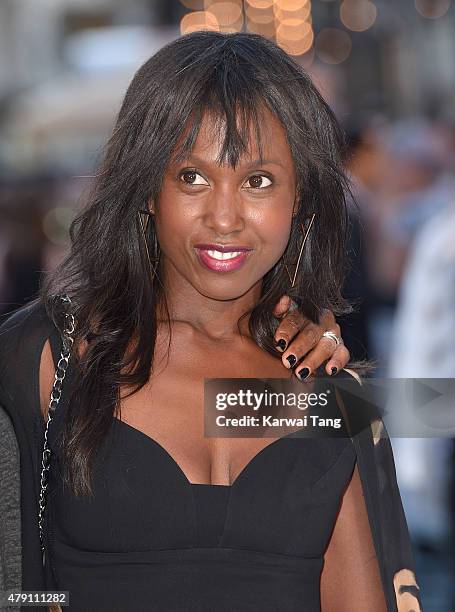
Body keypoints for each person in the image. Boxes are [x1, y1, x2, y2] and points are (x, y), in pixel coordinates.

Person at [0, 31, 421, 612]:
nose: (224, 217)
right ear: (148, 187)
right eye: (192, 176)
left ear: (298, 199)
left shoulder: (326, 393)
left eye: (258, 181)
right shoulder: (44, 358)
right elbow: (13, 587)